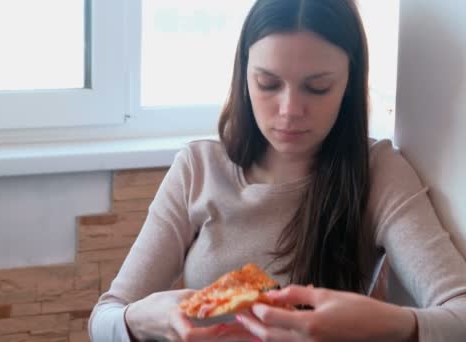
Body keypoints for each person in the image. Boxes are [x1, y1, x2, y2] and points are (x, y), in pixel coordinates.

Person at [89, 0, 466, 341]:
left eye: (317, 88)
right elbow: (104, 317)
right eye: (268, 84)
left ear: (349, 85)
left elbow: (460, 311)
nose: (289, 110)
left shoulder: (378, 173)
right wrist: (138, 319)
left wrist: (387, 324)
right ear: (243, 76)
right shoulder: (198, 169)